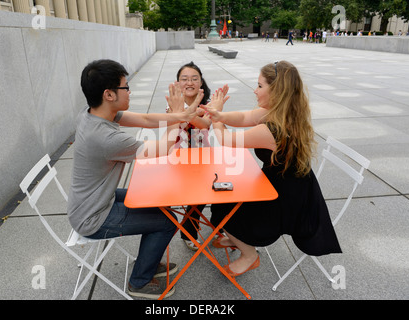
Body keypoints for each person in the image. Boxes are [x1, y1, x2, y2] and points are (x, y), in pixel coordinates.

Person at [67, 59, 204, 298]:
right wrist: (178, 118)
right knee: (169, 221)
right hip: (93, 216)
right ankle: (139, 282)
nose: (130, 91)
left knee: (158, 203)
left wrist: (179, 113)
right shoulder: (104, 138)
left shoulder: (93, 114)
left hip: (95, 199)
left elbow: (146, 120)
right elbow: (164, 149)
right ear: (109, 94)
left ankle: (147, 263)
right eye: (125, 87)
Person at [201, 61, 341, 277]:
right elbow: (246, 116)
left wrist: (216, 117)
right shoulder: (282, 111)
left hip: (284, 198)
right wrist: (220, 116)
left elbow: (226, 140)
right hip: (287, 184)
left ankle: (249, 255)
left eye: (259, 86)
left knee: (221, 208)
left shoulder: (273, 129)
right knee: (227, 200)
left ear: (275, 90)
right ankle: (238, 236)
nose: (254, 90)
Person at [169, 62, 212, 251]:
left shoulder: (210, 104)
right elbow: (174, 122)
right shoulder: (173, 104)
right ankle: (189, 232)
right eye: (184, 79)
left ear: (201, 81)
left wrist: (188, 113)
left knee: (212, 192)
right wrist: (190, 112)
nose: (189, 82)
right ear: (178, 83)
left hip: (204, 156)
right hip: (179, 158)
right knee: (197, 196)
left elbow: (205, 124)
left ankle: (219, 225)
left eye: (194, 78)